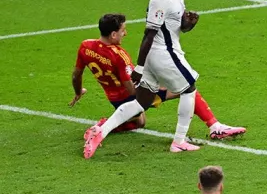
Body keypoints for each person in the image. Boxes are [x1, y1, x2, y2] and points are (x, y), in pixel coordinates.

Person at [84, 0, 213, 158]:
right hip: (162, 53)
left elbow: (177, 28)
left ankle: (101, 131)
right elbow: (149, 34)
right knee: (189, 88)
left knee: (141, 102)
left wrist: (189, 23)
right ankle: (179, 141)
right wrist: (140, 68)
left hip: (162, 52)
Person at [70, 13, 246, 140]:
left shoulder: (86, 46)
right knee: (186, 88)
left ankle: (102, 126)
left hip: (114, 98)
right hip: (131, 96)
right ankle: (214, 126)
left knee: (140, 122)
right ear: (113, 34)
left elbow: (76, 74)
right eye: (123, 30)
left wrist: (78, 91)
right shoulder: (118, 55)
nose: (126, 33)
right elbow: (131, 88)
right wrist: (155, 88)